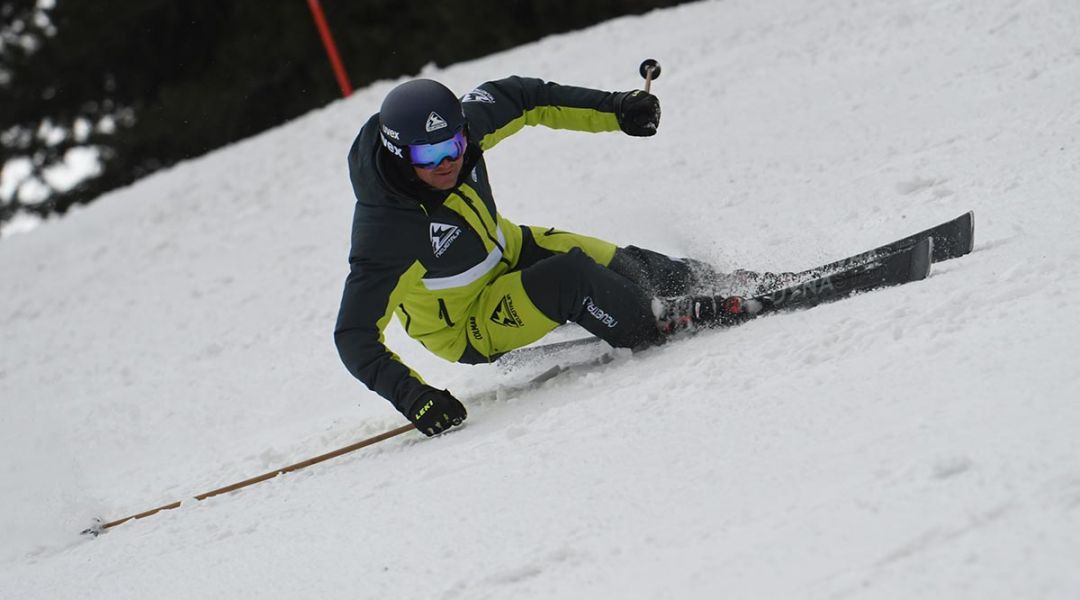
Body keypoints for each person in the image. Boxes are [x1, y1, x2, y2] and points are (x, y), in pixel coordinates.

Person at [335, 76, 769, 437]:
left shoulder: (463, 137)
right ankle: (660, 319)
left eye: (453, 145)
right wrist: (415, 398)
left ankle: (719, 284)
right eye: (428, 156)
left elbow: (528, 98)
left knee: (621, 263)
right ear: (398, 154)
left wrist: (617, 108)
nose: (447, 162)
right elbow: (353, 335)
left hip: (510, 249)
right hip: (468, 323)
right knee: (571, 278)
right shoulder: (386, 232)